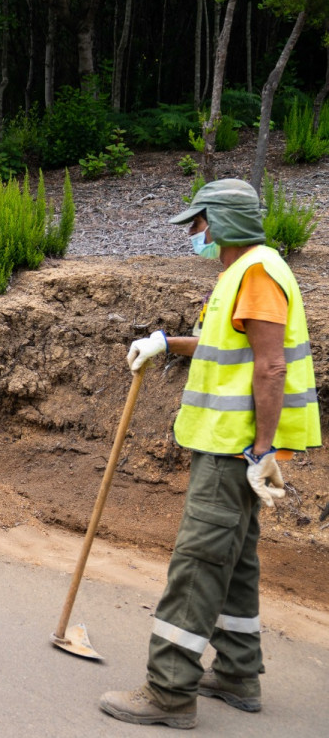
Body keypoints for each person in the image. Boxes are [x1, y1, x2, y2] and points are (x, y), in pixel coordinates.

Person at [100, 179, 320, 728]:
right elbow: (228, 345)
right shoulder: (240, 273)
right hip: (228, 445)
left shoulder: (258, 272)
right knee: (235, 561)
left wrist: (261, 452)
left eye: (198, 223)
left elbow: (270, 366)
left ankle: (169, 691)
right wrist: (165, 343)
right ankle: (239, 674)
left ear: (221, 221)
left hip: (234, 449)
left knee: (198, 563)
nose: (193, 233)